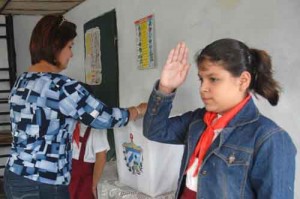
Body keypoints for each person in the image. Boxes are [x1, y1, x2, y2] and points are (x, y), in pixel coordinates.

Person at [4, 15, 147, 199]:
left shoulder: (21, 82)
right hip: (45, 183)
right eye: (70, 46)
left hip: (15, 175)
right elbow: (104, 118)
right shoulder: (63, 87)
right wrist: (138, 109)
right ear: (56, 46)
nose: (71, 54)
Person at [143, 39, 296, 199]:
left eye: (213, 79)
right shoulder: (198, 120)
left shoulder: (269, 138)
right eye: (201, 79)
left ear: (243, 81)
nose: (203, 88)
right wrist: (165, 88)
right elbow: (155, 131)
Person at [69, 83, 110, 199]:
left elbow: (101, 157)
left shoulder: (97, 126)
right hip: (69, 176)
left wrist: (93, 185)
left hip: (84, 180)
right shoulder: (71, 121)